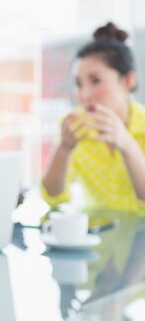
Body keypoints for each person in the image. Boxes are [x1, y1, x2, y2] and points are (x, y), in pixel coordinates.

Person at [42, 22, 145, 213]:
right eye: (78, 84)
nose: (84, 94)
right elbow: (53, 196)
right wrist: (64, 148)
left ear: (128, 81)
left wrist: (126, 142)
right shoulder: (75, 125)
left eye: (95, 81)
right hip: (96, 236)